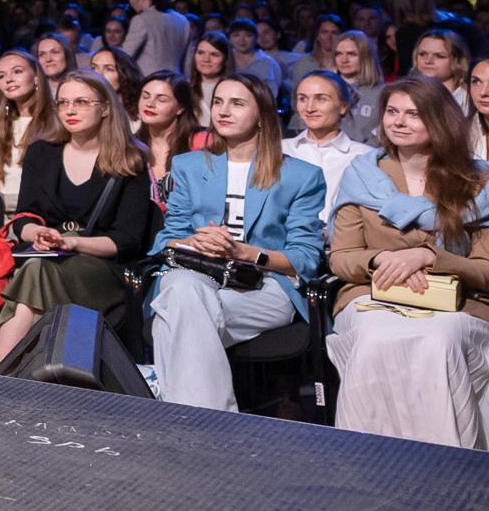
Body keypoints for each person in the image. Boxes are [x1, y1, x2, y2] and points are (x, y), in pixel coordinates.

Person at [148, 75, 327, 413]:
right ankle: (214, 422)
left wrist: (247, 253)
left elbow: (305, 258)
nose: (223, 111)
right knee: (182, 290)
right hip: (197, 273)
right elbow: (167, 239)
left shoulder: (300, 176)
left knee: (171, 315)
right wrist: (194, 241)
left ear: (262, 114)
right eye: (218, 102)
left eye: (237, 103)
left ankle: (187, 419)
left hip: (265, 287)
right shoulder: (188, 165)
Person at [327, 76, 489, 448]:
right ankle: (364, 455)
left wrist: (430, 257)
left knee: (437, 340)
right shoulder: (363, 174)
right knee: (374, 337)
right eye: (392, 111)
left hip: (457, 302)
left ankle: (444, 460)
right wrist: (384, 259)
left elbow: (485, 268)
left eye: (413, 114)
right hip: (374, 293)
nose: (398, 122)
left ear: (440, 120)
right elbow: (342, 258)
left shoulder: (477, 181)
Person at [0, 72, 157, 370]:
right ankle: (10, 374)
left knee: (34, 272)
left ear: (105, 108)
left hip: (102, 270)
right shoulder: (41, 152)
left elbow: (127, 239)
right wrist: (38, 233)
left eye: (81, 102)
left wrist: (71, 243)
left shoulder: (130, 160)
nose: (69, 110)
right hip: (47, 258)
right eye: (63, 103)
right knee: (34, 273)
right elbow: (24, 217)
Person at [289, 70, 378, 220]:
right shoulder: (282, 151)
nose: (309, 108)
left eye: (320, 99)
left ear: (343, 106)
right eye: (303, 99)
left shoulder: (364, 156)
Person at [0, 50, 57, 198]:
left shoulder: (55, 123)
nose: (8, 79)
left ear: (36, 78)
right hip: (0, 205)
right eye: (2, 76)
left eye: (17, 71)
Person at [137, 71, 201, 200]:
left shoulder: (200, 144)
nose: (149, 104)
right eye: (145, 96)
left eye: (161, 99)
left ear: (180, 108)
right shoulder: (129, 145)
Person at [120, 0, 195, 79]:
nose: (130, 5)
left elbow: (125, 56)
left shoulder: (141, 19)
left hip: (149, 82)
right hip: (175, 81)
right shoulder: (182, 19)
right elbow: (188, 61)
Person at [333, 29, 387, 145]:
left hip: (368, 152)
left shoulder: (382, 93)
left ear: (366, 57)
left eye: (352, 54)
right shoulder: (325, 89)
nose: (344, 60)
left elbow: (383, 133)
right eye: (339, 54)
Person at [186, 32, 234, 128]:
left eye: (214, 55)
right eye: (201, 53)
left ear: (225, 59)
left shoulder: (235, 91)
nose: (206, 59)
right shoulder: (185, 88)